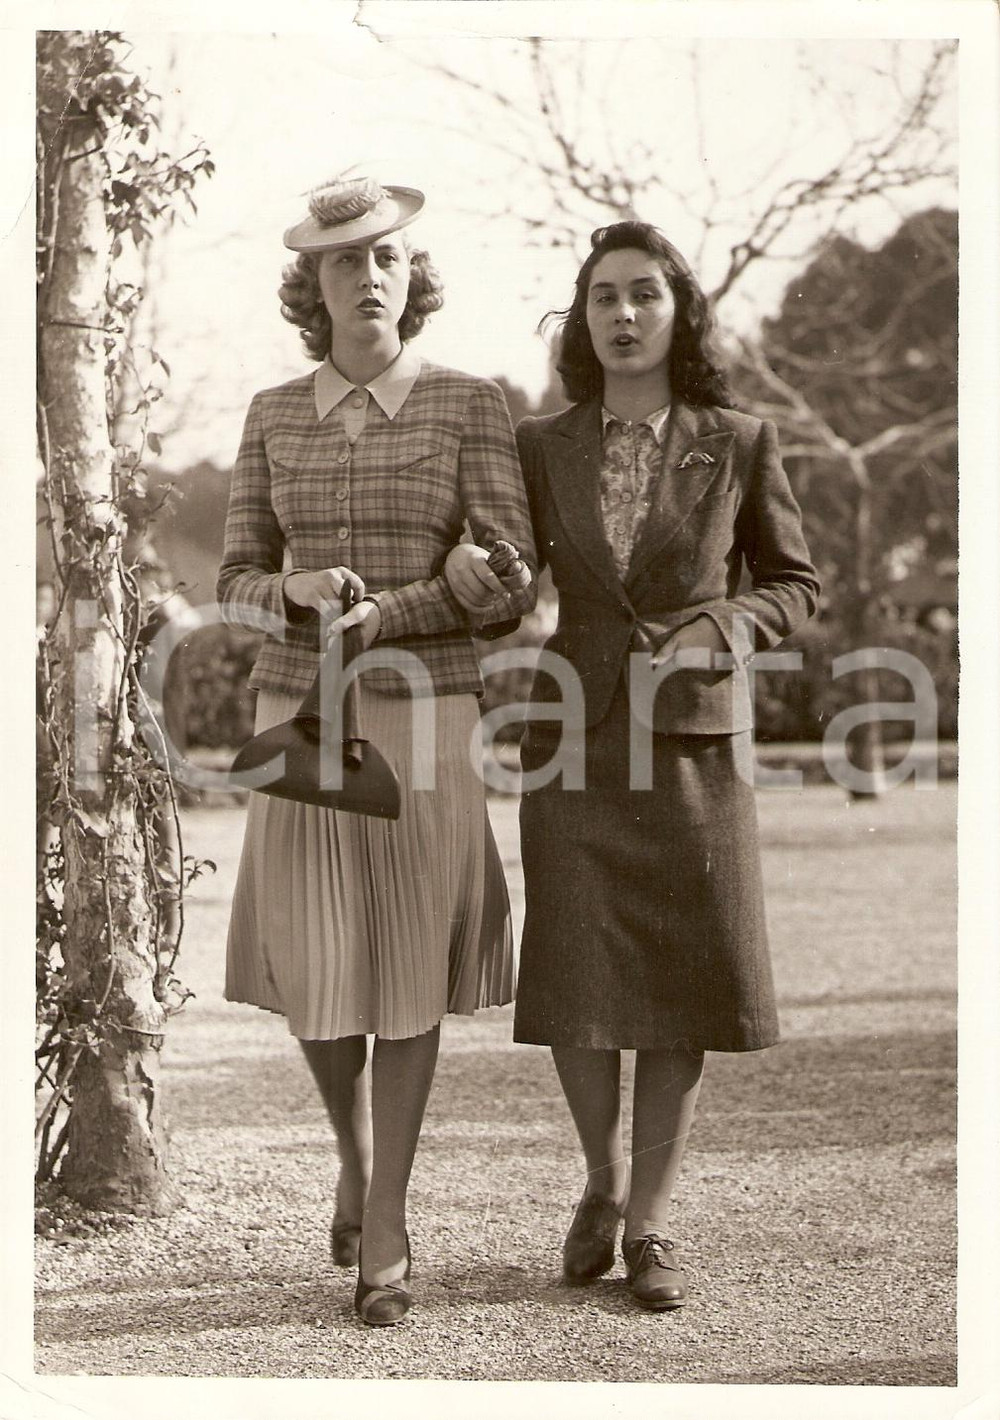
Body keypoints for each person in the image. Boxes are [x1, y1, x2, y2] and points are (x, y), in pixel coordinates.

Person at [446, 221, 819, 1312]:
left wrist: (727, 626)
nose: (621, 314)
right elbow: (514, 586)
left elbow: (794, 582)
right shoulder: (538, 443)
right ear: (582, 317)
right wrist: (484, 572)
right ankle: (602, 1180)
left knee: (677, 983)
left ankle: (652, 1225)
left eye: (643, 294)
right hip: (572, 731)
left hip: (695, 738)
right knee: (578, 974)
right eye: (602, 296)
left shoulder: (740, 440)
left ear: (678, 310)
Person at [217, 176, 536, 1326]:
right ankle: (351, 1157)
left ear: (414, 277)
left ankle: (388, 1217)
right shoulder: (269, 413)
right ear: (313, 287)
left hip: (424, 715)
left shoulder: (471, 404)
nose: (367, 277)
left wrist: (408, 607)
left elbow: (510, 586)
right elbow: (233, 583)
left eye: (387, 258)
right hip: (296, 715)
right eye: (343, 262)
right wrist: (289, 588)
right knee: (316, 966)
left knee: (403, 964)